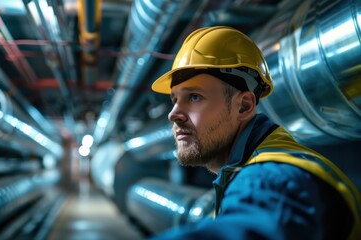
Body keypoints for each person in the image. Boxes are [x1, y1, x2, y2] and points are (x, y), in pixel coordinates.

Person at [150, 26, 361, 239]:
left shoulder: (274, 179)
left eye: (194, 96)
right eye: (174, 100)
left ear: (244, 106)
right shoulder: (246, 170)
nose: (173, 114)